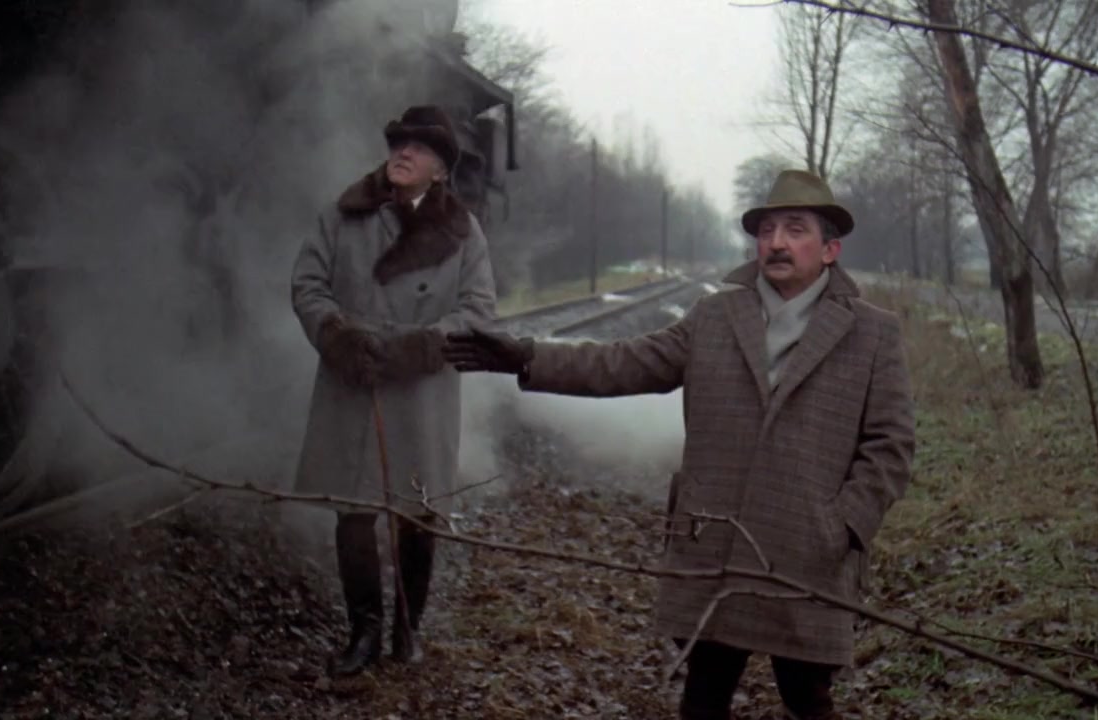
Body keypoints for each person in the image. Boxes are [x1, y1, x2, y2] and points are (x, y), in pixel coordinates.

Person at [443, 169, 914, 720]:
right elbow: (625, 361)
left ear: (830, 249)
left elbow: (891, 444)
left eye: (795, 229)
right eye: (766, 230)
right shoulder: (716, 315)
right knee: (703, 700)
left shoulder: (871, 333)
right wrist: (526, 356)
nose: (776, 243)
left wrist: (841, 527)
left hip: (806, 555)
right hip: (715, 544)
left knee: (808, 701)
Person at [290, 105, 496, 677]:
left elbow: (479, 309)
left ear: (442, 169)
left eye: (420, 147)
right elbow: (307, 284)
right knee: (353, 511)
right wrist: (335, 334)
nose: (404, 152)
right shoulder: (344, 213)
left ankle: (408, 628)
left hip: (421, 389)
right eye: (399, 143)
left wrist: (424, 345)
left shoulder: (463, 231)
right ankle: (364, 632)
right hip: (351, 379)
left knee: (417, 511)